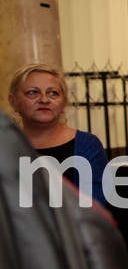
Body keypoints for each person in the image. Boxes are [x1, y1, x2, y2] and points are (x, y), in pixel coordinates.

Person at [7, 63, 108, 205]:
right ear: (14, 102)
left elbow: (93, 208)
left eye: (53, 93)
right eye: (32, 92)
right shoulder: (4, 146)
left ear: (63, 103)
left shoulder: (87, 145)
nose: (44, 99)